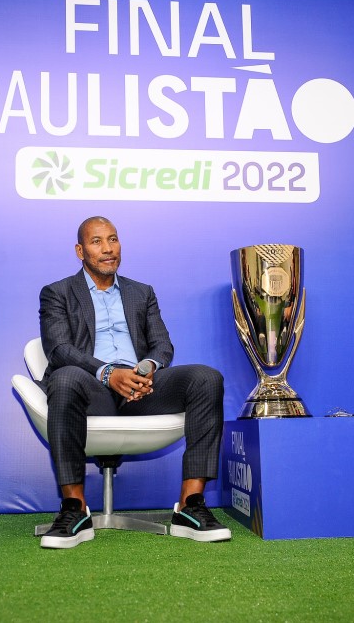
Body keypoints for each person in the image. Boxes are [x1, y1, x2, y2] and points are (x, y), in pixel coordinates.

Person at [36, 216, 230, 549]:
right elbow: (59, 349)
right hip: (92, 386)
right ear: (80, 251)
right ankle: (74, 509)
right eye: (97, 241)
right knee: (64, 377)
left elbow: (162, 345)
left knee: (206, 378)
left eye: (113, 239)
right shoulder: (57, 293)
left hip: (141, 388)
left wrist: (146, 368)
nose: (107, 249)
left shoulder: (142, 292)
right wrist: (109, 373)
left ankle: (190, 506)